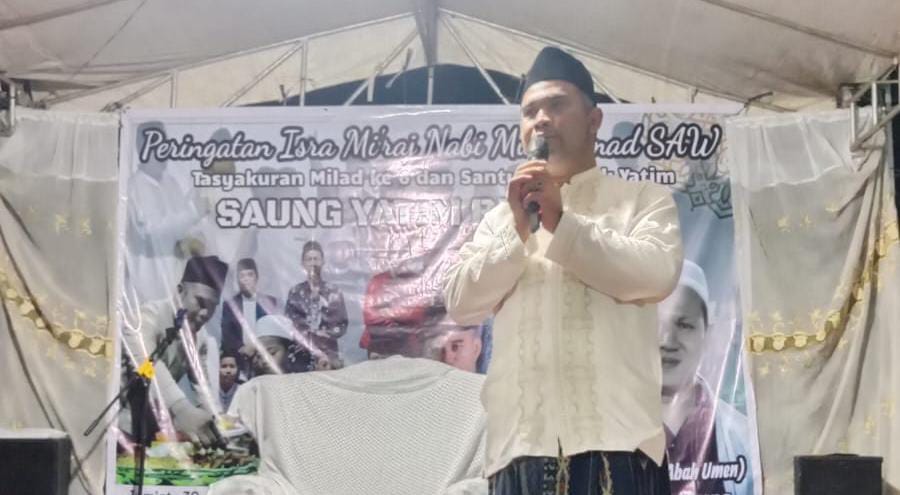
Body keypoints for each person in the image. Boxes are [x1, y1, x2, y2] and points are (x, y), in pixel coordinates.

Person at [444, 46, 683, 494]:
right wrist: (519, 231)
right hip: (521, 451)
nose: (541, 120)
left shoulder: (641, 201)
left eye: (556, 105)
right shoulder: (502, 220)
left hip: (618, 446)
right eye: (530, 111)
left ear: (594, 120)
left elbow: (656, 275)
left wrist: (561, 222)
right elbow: (461, 302)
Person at [659, 260, 753, 495]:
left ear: (707, 334)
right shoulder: (610, 432)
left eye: (684, 325)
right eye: (655, 325)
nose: (668, 341)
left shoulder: (742, 437)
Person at [120, 255, 228, 447]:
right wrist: (182, 409)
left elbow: (202, 387)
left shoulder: (200, 338)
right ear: (179, 291)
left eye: (212, 307)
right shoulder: (146, 317)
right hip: (119, 425)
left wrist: (216, 419)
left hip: (155, 429)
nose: (205, 313)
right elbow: (145, 364)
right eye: (200, 302)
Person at [126, 121, 208, 303]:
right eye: (155, 145)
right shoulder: (135, 187)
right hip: (148, 293)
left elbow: (184, 227)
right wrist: (194, 212)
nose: (163, 151)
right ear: (142, 149)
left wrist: (195, 239)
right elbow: (151, 230)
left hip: (176, 288)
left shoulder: (171, 183)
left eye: (164, 144)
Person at [285, 241, 349, 366]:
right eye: (309, 259)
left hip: (328, 351)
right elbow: (289, 322)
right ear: (303, 263)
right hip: (301, 352)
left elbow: (342, 322)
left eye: (316, 259)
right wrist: (309, 333)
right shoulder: (295, 292)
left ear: (323, 261)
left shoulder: (333, 291)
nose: (313, 263)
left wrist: (326, 333)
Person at [220, 258, 279, 374]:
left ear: (256, 277)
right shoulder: (230, 305)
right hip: (239, 361)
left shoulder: (270, 302)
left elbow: (273, 333)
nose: (246, 279)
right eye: (242, 276)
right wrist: (242, 348)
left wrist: (256, 347)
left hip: (264, 358)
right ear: (238, 280)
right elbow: (227, 335)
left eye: (250, 275)